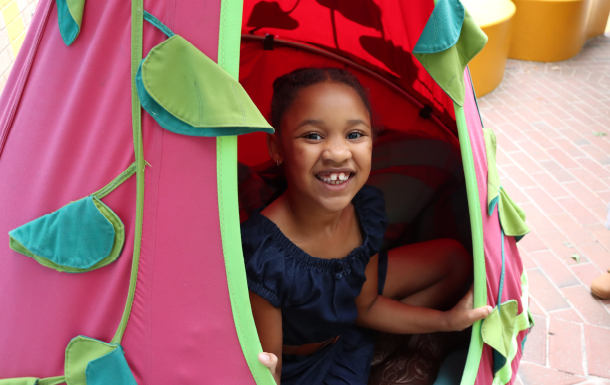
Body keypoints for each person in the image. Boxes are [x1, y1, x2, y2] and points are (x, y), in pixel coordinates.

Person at [240, 67, 493, 385]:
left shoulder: (365, 209)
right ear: (276, 147)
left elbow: (368, 304)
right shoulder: (263, 254)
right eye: (313, 136)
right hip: (301, 369)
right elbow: (271, 370)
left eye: (354, 134)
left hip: (346, 337)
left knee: (454, 259)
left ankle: (380, 342)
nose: (337, 153)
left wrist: (447, 321)